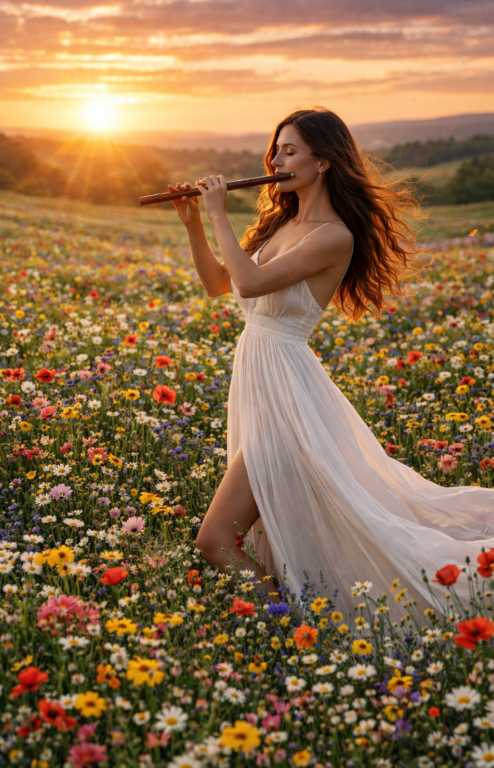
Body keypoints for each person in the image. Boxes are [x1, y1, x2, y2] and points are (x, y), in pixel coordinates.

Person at [170, 106, 494, 616]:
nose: (277, 158)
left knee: (215, 539)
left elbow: (251, 283)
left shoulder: (333, 235)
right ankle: (296, 623)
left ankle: (291, 626)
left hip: (287, 396)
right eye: (276, 149)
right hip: (262, 384)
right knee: (248, 534)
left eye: (291, 150)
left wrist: (216, 212)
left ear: (323, 162)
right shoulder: (283, 224)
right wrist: (193, 224)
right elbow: (220, 284)